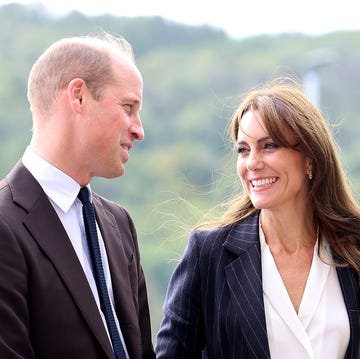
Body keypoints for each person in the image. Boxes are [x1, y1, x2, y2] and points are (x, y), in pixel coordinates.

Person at [156, 78, 360, 358]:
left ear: (310, 158)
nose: (252, 163)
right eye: (243, 150)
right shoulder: (208, 254)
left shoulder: (354, 247)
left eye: (270, 146)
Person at [0, 33, 155, 359]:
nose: (139, 129)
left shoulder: (119, 223)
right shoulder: (4, 224)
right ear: (79, 97)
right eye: (128, 107)